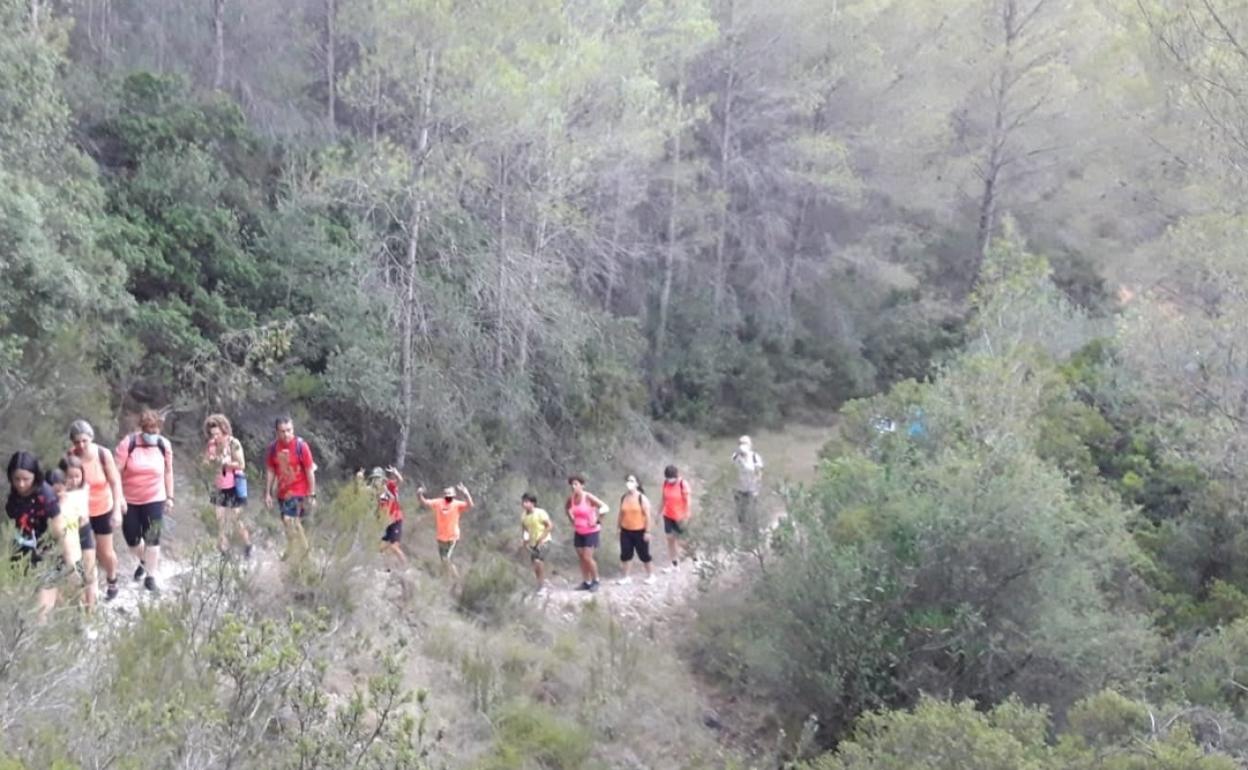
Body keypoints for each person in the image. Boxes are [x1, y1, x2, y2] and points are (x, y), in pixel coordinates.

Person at [6, 452, 71, 622]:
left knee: (41, 613)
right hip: (21, 553)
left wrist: (69, 561)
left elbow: (59, 530)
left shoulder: (45, 495)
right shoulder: (13, 495)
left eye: (26, 479)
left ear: (35, 476)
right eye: (16, 479)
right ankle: (70, 616)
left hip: (48, 554)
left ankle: (68, 623)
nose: (21, 484)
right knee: (20, 603)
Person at [116, 409, 175, 593]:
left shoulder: (163, 445)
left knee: (153, 537)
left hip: (155, 498)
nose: (151, 433)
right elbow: (115, 472)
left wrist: (170, 497)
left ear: (160, 428)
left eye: (155, 429)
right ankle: (144, 560)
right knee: (132, 538)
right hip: (130, 500)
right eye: (148, 429)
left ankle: (151, 576)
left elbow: (168, 471)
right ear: (142, 428)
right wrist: (119, 498)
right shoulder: (129, 443)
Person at [68, 420, 125, 601]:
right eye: (77, 442)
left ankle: (112, 578)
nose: (81, 445)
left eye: (84, 440)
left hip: (103, 508)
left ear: (91, 438)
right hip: (81, 512)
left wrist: (117, 509)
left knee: (104, 552)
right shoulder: (70, 456)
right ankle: (90, 590)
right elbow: (66, 482)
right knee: (85, 552)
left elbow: (115, 482)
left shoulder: (103, 454)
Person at [264, 417, 316, 560]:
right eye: (282, 431)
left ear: (293, 429)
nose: (286, 434)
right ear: (277, 432)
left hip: (299, 490)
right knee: (288, 523)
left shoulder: (301, 446)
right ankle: (292, 549)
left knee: (291, 520)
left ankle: (306, 554)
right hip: (283, 492)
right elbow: (271, 471)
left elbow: (309, 470)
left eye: (289, 430)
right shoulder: (273, 448)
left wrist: (312, 494)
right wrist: (268, 493)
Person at [202, 414, 252, 558]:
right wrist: (208, 462)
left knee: (235, 519)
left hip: (234, 485)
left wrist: (225, 463)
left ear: (224, 430)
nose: (215, 437)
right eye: (212, 434)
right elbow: (206, 462)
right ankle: (224, 553)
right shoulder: (211, 444)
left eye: (218, 433)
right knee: (220, 520)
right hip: (218, 485)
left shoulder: (233, 443)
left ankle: (247, 545)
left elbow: (241, 464)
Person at [50, 458, 97, 611]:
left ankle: (91, 609)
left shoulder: (84, 490)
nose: (74, 480)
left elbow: (84, 519)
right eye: (70, 477)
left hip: (82, 534)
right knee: (71, 581)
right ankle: (76, 611)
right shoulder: (55, 500)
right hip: (66, 542)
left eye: (78, 476)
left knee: (89, 574)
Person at [417, 483, 473, 578]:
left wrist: (466, 494)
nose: (448, 496)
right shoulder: (438, 502)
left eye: (450, 494)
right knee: (444, 561)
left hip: (452, 537)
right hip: (441, 537)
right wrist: (419, 494)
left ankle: (457, 578)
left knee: (446, 559)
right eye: (446, 494)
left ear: (454, 495)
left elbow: (470, 505)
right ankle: (447, 578)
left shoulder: (457, 504)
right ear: (443, 495)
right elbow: (425, 502)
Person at [565, 475, 608, 592]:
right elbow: (567, 509)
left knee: (587, 557)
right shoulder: (571, 499)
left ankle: (596, 581)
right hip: (579, 531)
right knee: (581, 558)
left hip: (591, 531)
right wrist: (572, 520)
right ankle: (586, 581)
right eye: (572, 485)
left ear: (582, 485)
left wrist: (598, 520)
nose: (574, 487)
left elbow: (604, 507)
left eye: (576, 484)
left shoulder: (587, 497)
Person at [617, 474, 655, 584]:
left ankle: (651, 575)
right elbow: (621, 513)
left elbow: (648, 516)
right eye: (628, 480)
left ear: (637, 483)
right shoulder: (624, 497)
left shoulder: (641, 498)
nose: (629, 483)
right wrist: (618, 527)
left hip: (640, 530)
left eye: (632, 481)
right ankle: (626, 577)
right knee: (625, 553)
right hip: (626, 530)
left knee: (644, 554)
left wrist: (647, 531)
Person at [373, 467, 407, 568]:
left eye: (378, 478)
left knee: (394, 547)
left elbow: (400, 481)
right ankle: (388, 568)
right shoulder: (376, 491)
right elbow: (379, 506)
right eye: (375, 478)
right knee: (381, 547)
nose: (376, 481)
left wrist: (396, 473)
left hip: (395, 519)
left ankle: (405, 568)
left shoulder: (389, 485)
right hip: (386, 521)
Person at [661, 465, 693, 570]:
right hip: (668, 515)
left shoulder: (683, 484)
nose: (670, 480)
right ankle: (674, 563)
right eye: (668, 477)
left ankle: (695, 560)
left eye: (671, 477)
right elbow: (663, 499)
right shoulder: (665, 483)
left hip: (680, 517)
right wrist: (658, 513)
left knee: (683, 541)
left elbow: (688, 500)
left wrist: (687, 514)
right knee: (670, 539)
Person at [519, 493, 552, 592]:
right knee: (535, 564)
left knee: (538, 561)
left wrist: (542, 538)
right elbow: (525, 530)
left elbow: (549, 526)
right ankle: (540, 583)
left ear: (533, 503)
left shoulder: (540, 513)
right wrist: (525, 541)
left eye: (526, 502)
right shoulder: (523, 516)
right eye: (523, 502)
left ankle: (542, 586)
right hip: (532, 543)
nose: (524, 504)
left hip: (544, 541)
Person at [731, 435, 764, 534]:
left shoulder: (755, 457)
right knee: (741, 515)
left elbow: (759, 472)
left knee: (752, 515)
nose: (742, 445)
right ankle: (743, 534)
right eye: (740, 443)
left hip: (751, 490)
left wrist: (757, 488)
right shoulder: (735, 457)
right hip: (739, 490)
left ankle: (755, 535)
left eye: (744, 443)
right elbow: (731, 471)